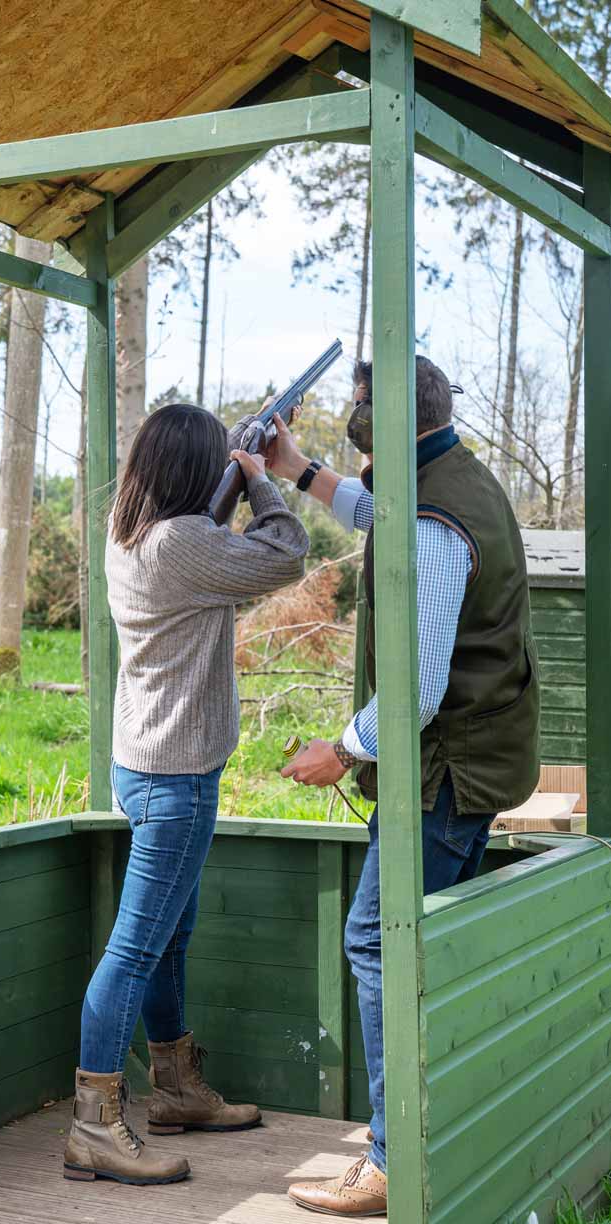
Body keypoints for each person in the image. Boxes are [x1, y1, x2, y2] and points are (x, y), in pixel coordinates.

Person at [272, 357, 540, 1218]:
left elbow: (418, 691)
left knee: (381, 946)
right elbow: (379, 513)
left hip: (443, 770)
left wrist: (341, 752)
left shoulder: (433, 514)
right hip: (477, 759)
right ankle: (437, 1132)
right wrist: (298, 473)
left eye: (355, 409)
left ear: (380, 424)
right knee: (432, 954)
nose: (349, 419)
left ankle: (394, 1159)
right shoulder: (450, 477)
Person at [63, 402, 309, 1187]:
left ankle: (175, 1092)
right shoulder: (181, 544)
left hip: (140, 765)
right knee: (135, 950)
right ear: (197, 473)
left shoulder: (130, 533)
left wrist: (229, 477)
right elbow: (288, 554)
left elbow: (204, 538)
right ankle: (94, 1127)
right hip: (179, 779)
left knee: (169, 934)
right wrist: (259, 479)